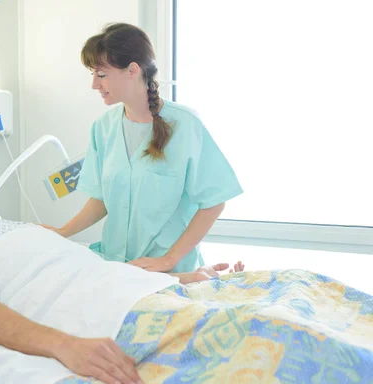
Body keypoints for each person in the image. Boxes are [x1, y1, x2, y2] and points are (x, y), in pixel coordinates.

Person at [0, 172, 244, 384]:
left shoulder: (11, 226)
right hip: (108, 314)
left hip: (138, 291)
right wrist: (67, 345)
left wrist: (189, 279)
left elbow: (91, 267)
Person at [42, 23, 243, 273]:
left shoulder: (185, 125)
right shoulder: (103, 128)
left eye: (101, 75)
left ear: (133, 70)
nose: (94, 84)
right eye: (92, 74)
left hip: (171, 273)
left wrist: (168, 260)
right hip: (117, 268)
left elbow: (213, 202)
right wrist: (63, 232)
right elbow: (102, 199)